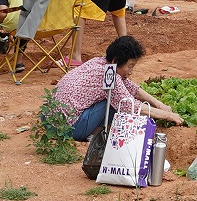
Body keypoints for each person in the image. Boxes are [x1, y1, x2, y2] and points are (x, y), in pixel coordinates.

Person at [53, 35, 182, 140]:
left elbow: (131, 87)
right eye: (130, 66)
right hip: (69, 129)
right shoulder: (109, 76)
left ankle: (95, 131)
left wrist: (159, 105)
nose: (131, 71)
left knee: (116, 97)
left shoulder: (99, 62)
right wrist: (167, 116)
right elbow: (130, 105)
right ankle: (94, 136)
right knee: (116, 103)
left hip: (50, 121)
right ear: (115, 61)